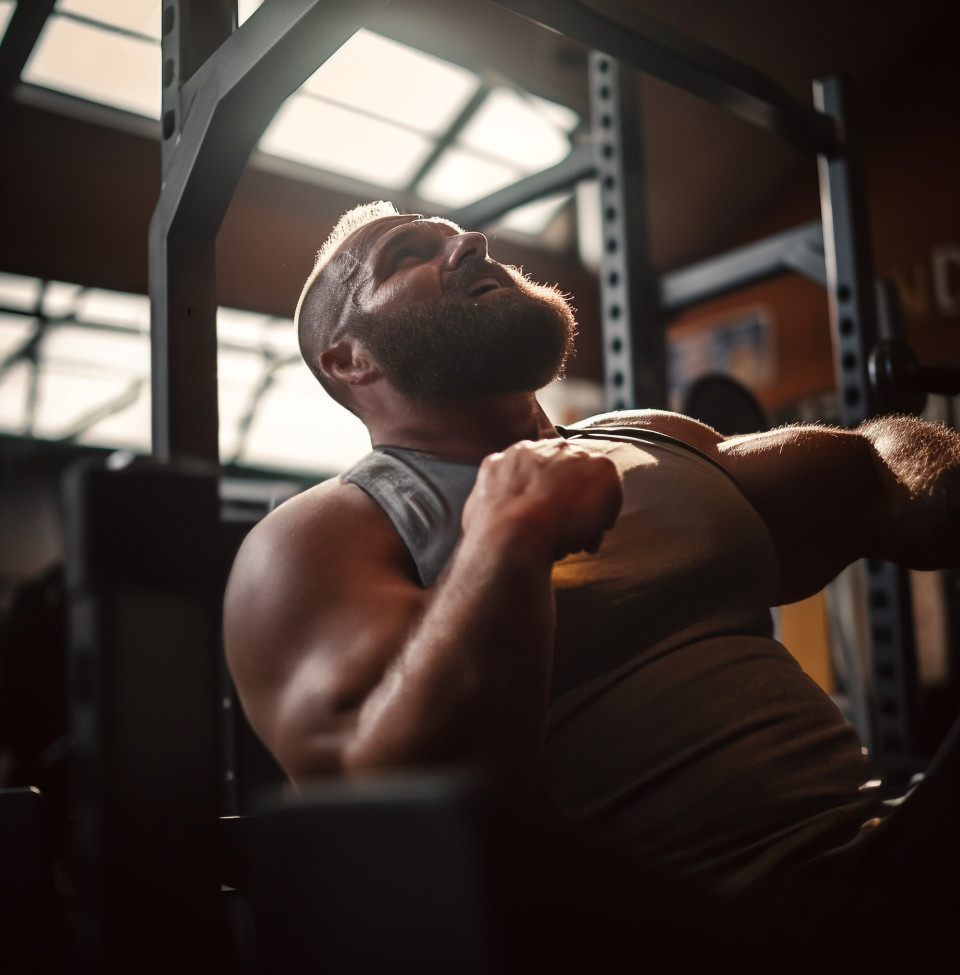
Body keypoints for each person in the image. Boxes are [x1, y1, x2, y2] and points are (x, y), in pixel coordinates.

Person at [223, 201, 960, 918]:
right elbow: (381, 817)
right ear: (350, 358)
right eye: (407, 255)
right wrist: (506, 538)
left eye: (459, 235)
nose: (473, 242)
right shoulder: (323, 533)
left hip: (886, 852)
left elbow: (875, 471)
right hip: (690, 934)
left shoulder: (651, 438)